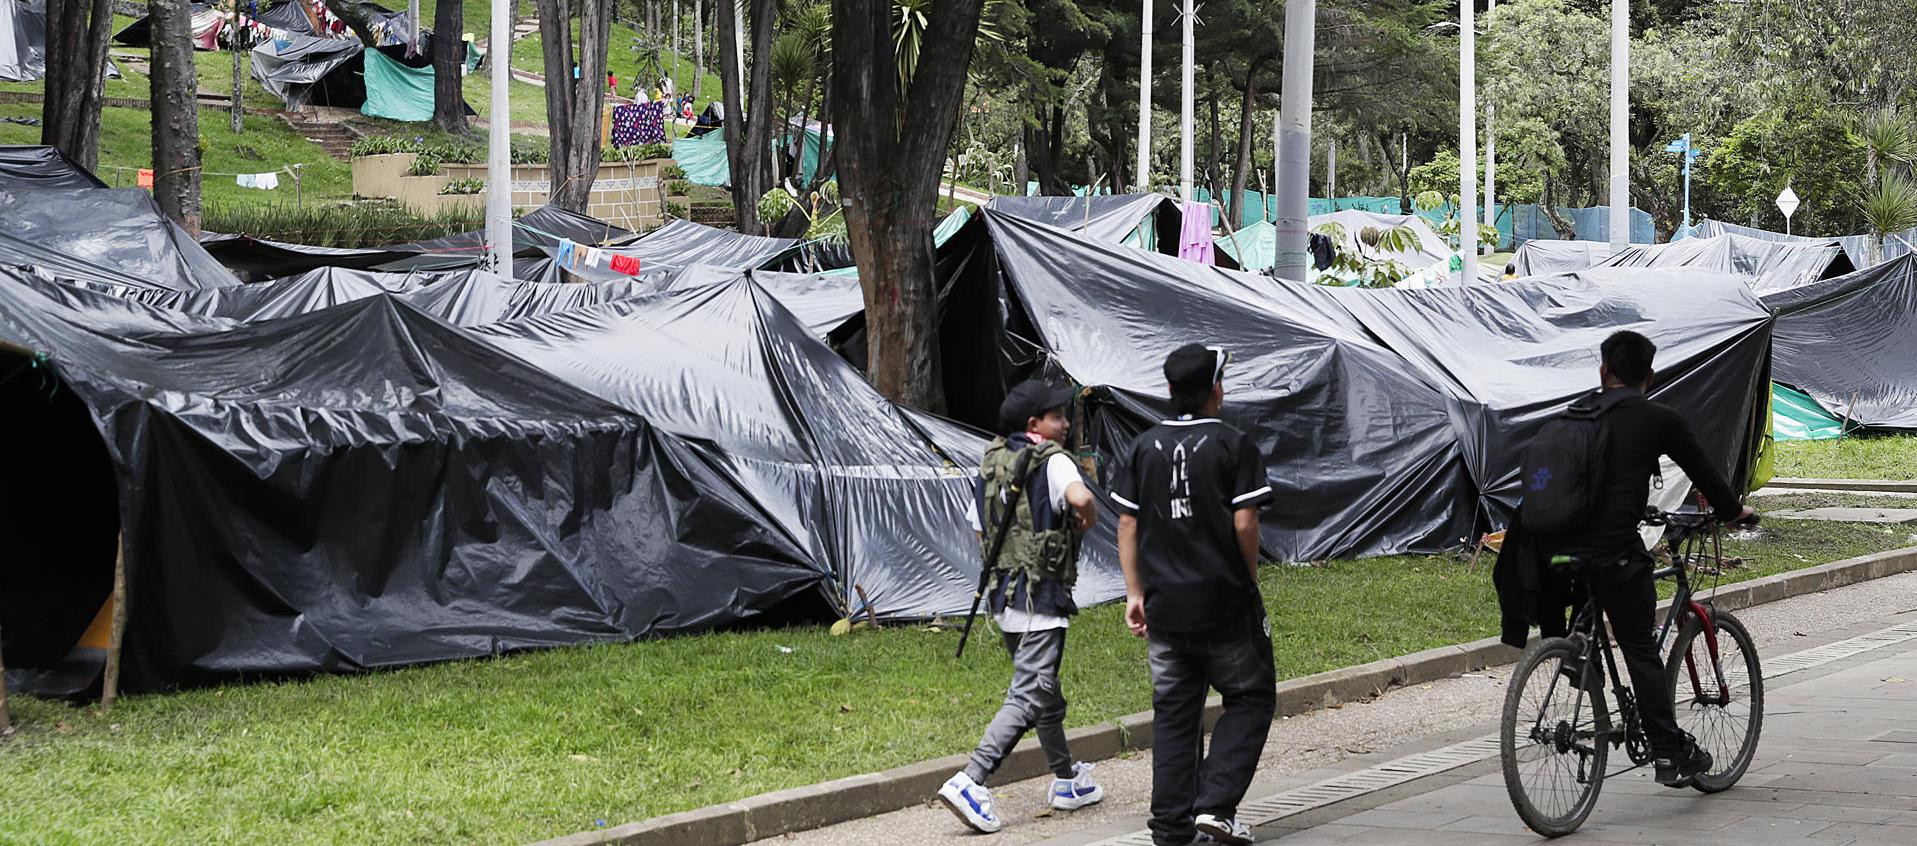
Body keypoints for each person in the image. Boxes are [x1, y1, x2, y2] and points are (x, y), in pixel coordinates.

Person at [1539, 330, 1756, 788]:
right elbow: (1705, 473)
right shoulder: (1659, 418)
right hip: (1615, 551)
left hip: (1555, 549)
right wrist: (1734, 512)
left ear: (1603, 372)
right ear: (1650, 377)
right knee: (1639, 644)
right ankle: (1666, 752)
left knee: (1589, 594)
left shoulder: (1576, 412)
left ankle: (1579, 658)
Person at [1109, 345, 1275, 846]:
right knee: (1249, 696)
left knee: (1175, 715)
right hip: (1224, 605)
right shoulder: (1232, 444)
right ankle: (1215, 807)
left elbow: (1126, 524)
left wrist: (1134, 593)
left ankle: (1170, 828)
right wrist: (1246, 581)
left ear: (1169, 390)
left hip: (1164, 609)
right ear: (1216, 390)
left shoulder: (1143, 447)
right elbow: (1245, 520)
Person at [938, 380, 1104, 834]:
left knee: (1045, 694)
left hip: (1004, 599)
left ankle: (1068, 779)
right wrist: (1081, 526)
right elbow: (1082, 498)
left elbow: (979, 529)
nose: (1066, 424)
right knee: (1031, 693)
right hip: (1042, 599)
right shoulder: (1054, 462)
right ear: (1035, 424)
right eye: (1057, 416)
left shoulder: (992, 461)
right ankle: (972, 779)